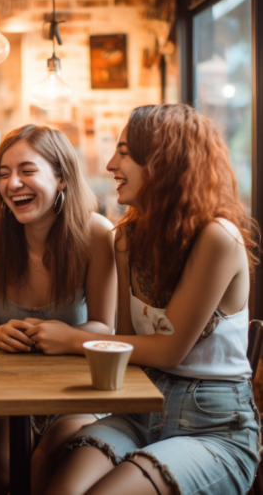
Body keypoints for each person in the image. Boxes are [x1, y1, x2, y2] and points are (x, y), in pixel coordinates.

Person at [42, 104, 261, 495]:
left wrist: (72, 338)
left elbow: (167, 350)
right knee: (61, 488)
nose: (111, 164)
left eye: (124, 152)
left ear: (163, 161)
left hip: (213, 428)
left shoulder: (217, 238)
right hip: (138, 411)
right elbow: (130, 346)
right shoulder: (127, 238)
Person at [0, 124, 117, 495]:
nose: (13, 183)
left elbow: (107, 329)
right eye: (3, 174)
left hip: (77, 390)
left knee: (44, 464)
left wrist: (66, 337)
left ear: (62, 177)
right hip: (6, 390)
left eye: (27, 171)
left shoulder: (97, 233)